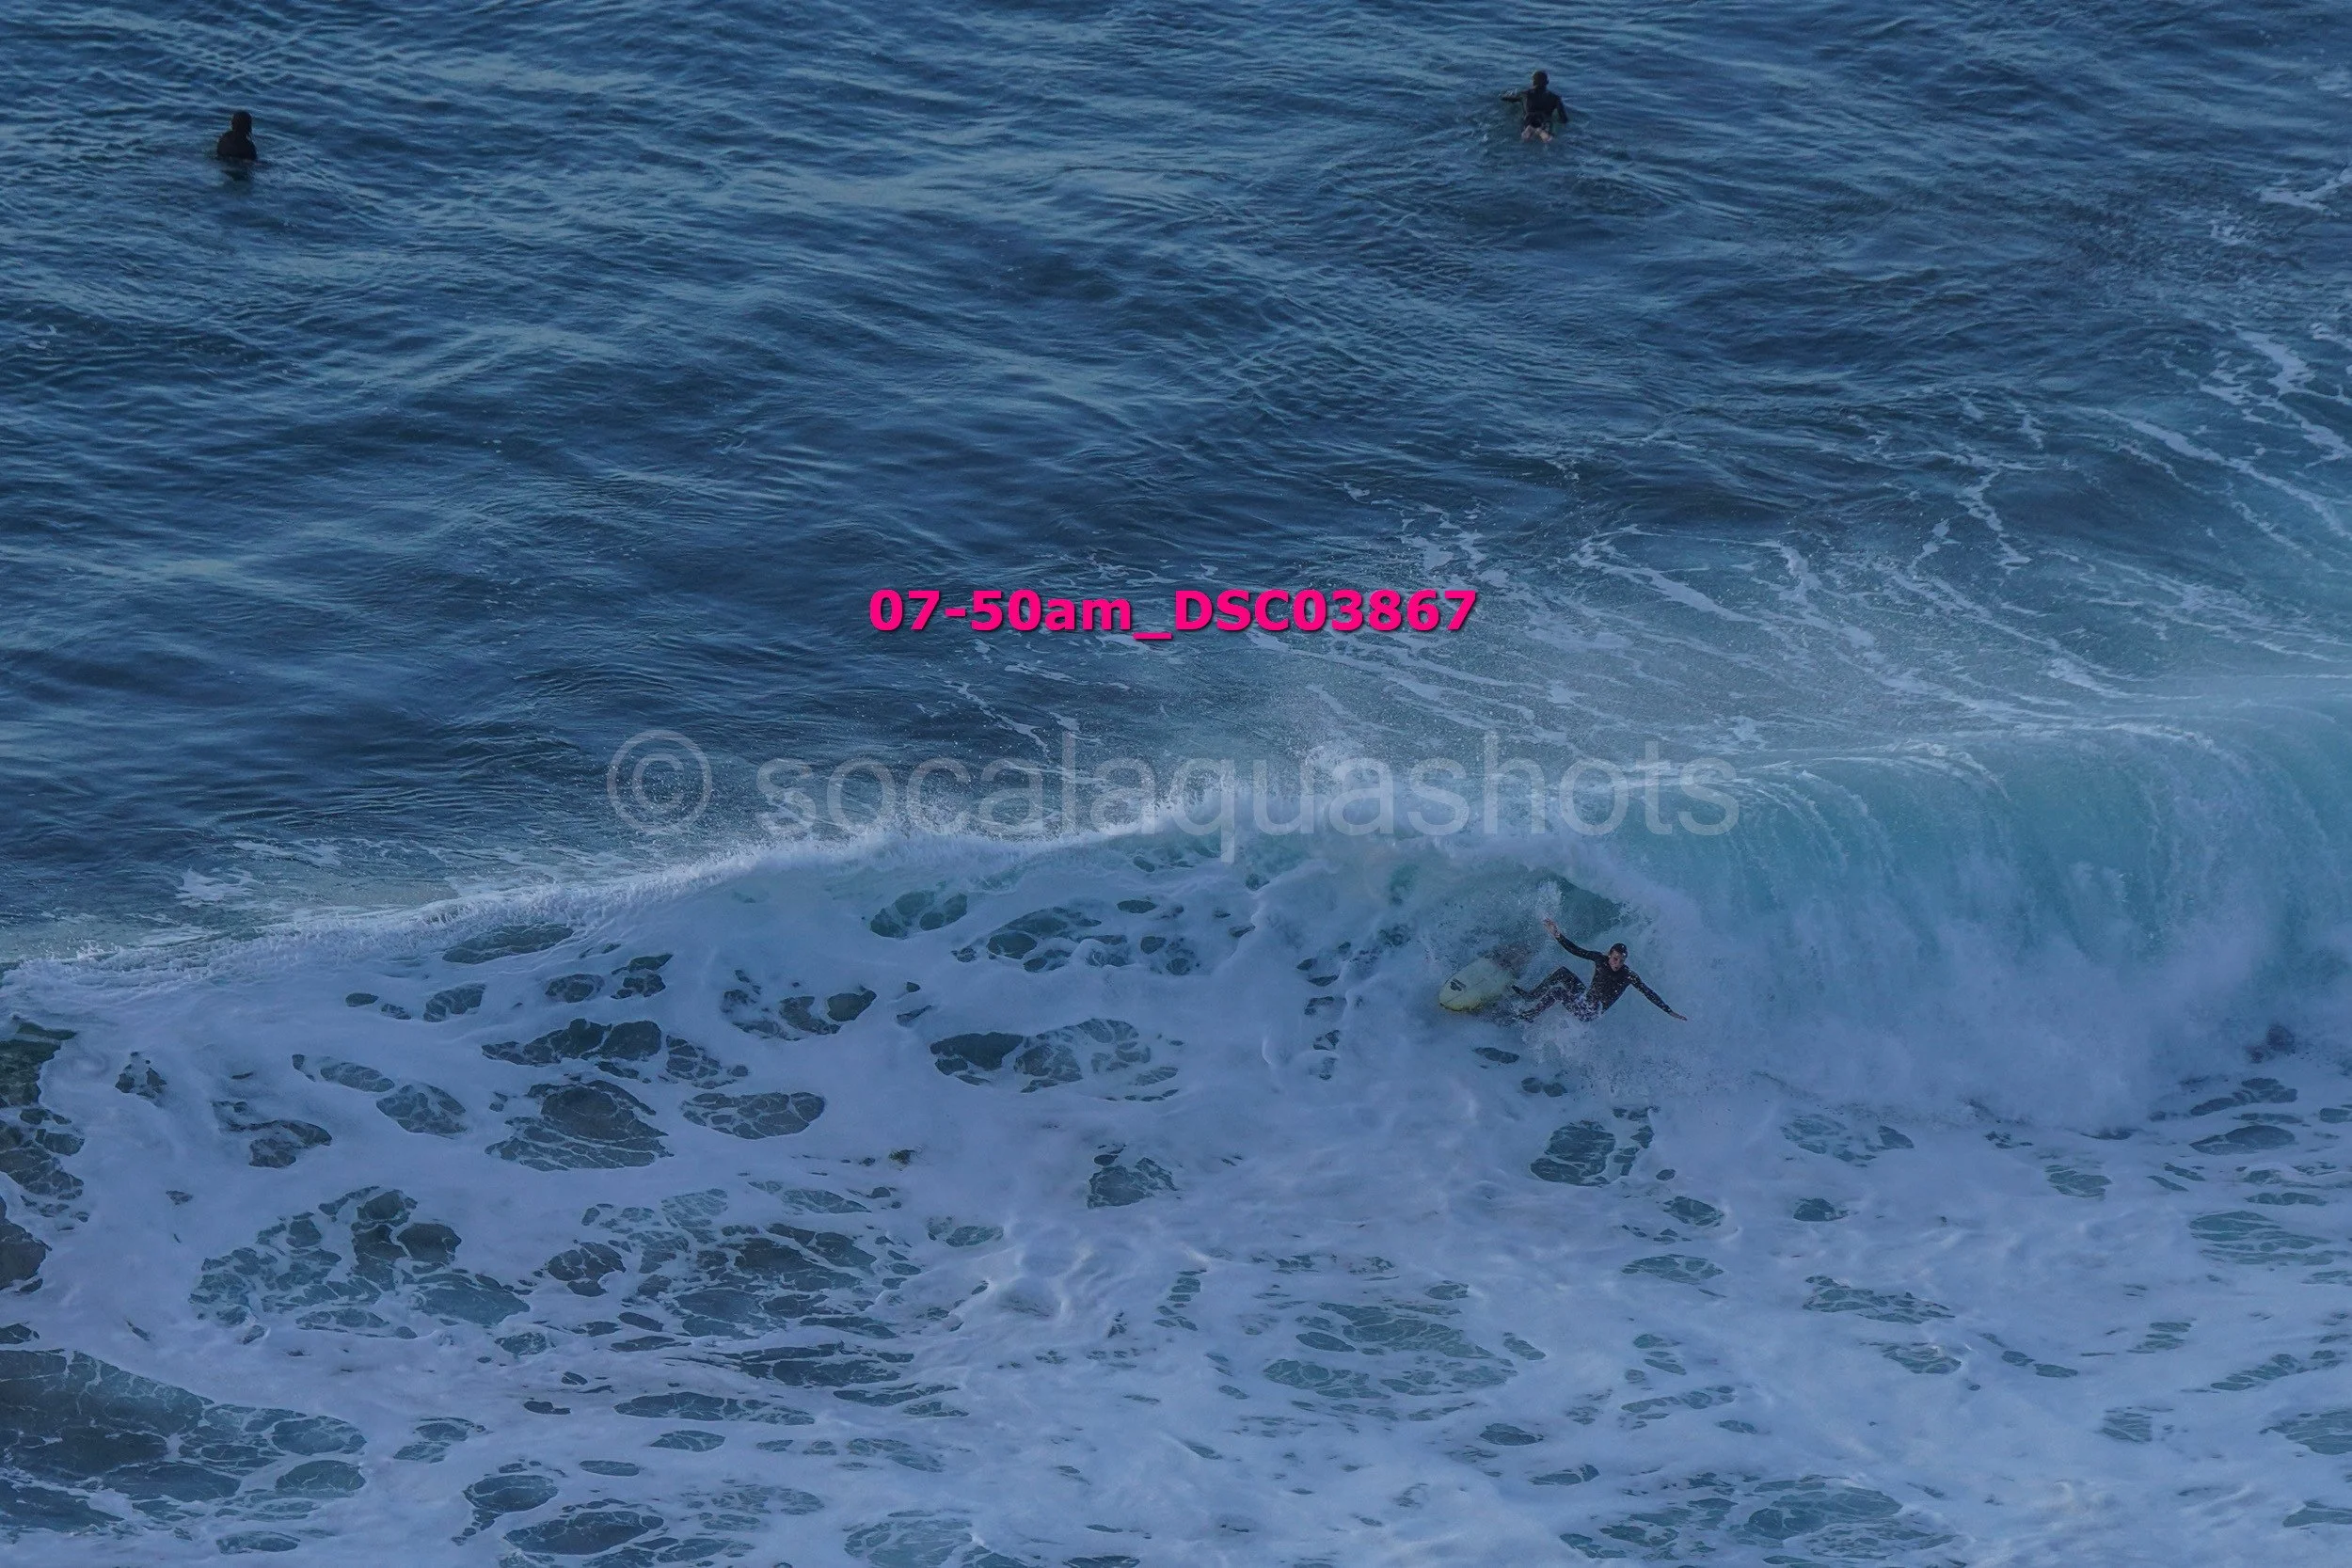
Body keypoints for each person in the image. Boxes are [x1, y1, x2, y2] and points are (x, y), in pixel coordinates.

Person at [1514, 918, 1687, 1022]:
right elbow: (1576, 950)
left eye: (1621, 960)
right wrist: (1557, 934)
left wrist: (1668, 1011)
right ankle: (1531, 996)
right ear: (1609, 955)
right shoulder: (1600, 959)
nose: (1617, 963)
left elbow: (1648, 992)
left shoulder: (1628, 976)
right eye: (1615, 958)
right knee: (1562, 973)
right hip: (1584, 998)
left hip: (1589, 1012)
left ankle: (1530, 1015)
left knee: (1558, 992)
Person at [1502, 71, 1567, 142]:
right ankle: (1540, 131)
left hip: (1529, 120)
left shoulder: (1524, 94)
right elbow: (1564, 119)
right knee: (1547, 136)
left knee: (1526, 134)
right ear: (1547, 82)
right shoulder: (1556, 98)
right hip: (1544, 121)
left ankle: (1529, 130)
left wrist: (1505, 96)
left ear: (1533, 82)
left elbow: (1506, 99)